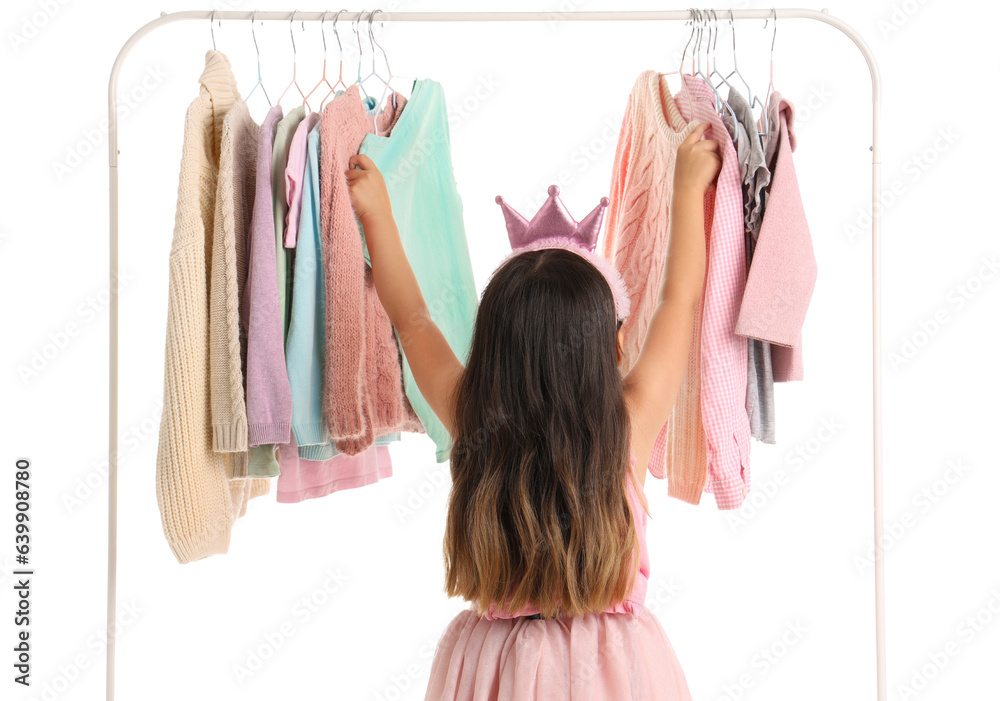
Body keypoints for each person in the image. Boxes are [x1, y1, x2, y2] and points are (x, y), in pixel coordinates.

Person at [345, 122, 721, 700]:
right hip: (613, 670)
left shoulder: (472, 416)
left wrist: (379, 219)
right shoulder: (629, 422)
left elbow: (413, 319)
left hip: (495, 665)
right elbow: (680, 298)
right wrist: (687, 190)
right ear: (610, 347)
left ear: (492, 346)